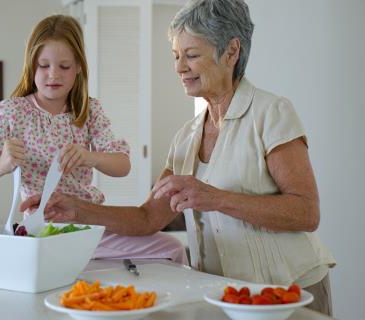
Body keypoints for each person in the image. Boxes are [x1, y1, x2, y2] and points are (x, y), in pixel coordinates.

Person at [20, 2, 335, 315]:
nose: (179, 67)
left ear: (231, 52)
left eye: (192, 55)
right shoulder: (186, 137)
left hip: (289, 291)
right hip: (222, 293)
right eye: (175, 56)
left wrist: (214, 198)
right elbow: (147, 219)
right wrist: (77, 210)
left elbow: (306, 212)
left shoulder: (271, 113)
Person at [0, 15, 188, 265]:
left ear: (79, 66)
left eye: (64, 66)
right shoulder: (10, 112)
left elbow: (123, 166)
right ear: (30, 65)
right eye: (44, 65)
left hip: (89, 224)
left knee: (171, 248)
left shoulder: (89, 111)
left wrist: (91, 157)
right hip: (44, 230)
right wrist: (0, 165)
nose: (53, 75)